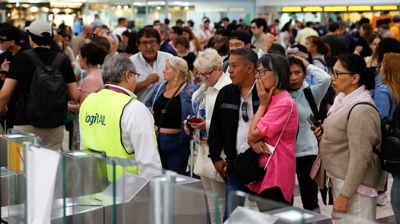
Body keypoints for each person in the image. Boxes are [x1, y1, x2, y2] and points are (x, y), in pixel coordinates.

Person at [313, 53, 381, 223]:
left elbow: (361, 158)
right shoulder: (342, 99)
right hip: (343, 181)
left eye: (337, 73)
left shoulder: (361, 110)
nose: (332, 77)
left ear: (355, 78)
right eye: (332, 71)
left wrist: (345, 196)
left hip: (355, 189)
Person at [80, 53, 161, 181]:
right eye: (136, 75)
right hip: (127, 189)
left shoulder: (88, 101)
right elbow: (148, 161)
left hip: (93, 184)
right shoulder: (133, 108)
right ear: (128, 75)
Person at [0, 19, 78, 148]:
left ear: (30, 38)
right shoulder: (62, 60)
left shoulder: (20, 59)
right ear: (51, 38)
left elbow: (4, 94)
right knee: (50, 166)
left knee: (23, 166)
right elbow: (74, 95)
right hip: (54, 124)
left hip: (25, 122)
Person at [208, 48, 259, 221]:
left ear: (250, 67)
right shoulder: (226, 93)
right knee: (231, 217)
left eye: (234, 65)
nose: (229, 70)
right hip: (234, 166)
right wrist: (215, 157)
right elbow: (215, 128)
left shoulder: (266, 93)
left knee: (265, 216)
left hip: (263, 166)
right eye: (229, 65)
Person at [184, 48, 231, 224]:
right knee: (210, 196)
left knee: (220, 197)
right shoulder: (205, 87)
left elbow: (229, 121)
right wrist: (190, 123)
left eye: (207, 74)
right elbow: (198, 109)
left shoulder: (226, 87)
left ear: (219, 68)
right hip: (202, 147)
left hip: (220, 150)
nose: (203, 78)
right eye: (200, 74)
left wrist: (206, 124)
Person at [246, 53, 298, 205]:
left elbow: (253, 133)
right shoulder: (269, 98)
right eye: (257, 71)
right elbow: (252, 135)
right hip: (265, 168)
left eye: (262, 72)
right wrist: (253, 140)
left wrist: (262, 105)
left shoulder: (283, 102)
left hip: (276, 171)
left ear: (277, 73)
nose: (257, 77)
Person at [287, 55, 331, 212]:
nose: (293, 78)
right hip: (286, 154)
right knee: (285, 201)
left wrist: (307, 64)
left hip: (308, 153)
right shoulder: (279, 95)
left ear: (305, 74)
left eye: (297, 72)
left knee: (310, 202)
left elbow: (326, 79)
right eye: (289, 73)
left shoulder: (312, 93)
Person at [145, 57, 197, 175]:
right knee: (158, 178)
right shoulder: (160, 88)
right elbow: (148, 103)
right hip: (156, 140)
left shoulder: (191, 91)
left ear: (177, 72)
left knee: (175, 180)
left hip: (178, 142)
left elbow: (196, 114)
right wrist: (149, 110)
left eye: (166, 68)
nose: (163, 71)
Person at [380, 53, 400, 221]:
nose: (379, 69)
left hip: (395, 152)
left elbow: (380, 120)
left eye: (381, 65)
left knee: (397, 198)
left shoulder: (383, 90)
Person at [130, 27, 174, 103]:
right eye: (144, 43)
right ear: (138, 45)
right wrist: (145, 82)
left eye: (152, 42)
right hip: (140, 110)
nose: (149, 47)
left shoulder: (169, 59)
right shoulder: (130, 63)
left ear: (159, 44)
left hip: (166, 109)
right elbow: (125, 92)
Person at [0, 25, 29, 130]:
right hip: (9, 105)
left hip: (25, 105)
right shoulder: (4, 57)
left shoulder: (28, 56)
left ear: (12, 42)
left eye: (2, 40)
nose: (0, 42)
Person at [67, 42, 107, 114]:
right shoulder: (99, 73)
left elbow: (82, 108)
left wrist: (65, 106)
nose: (79, 60)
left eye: (80, 57)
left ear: (85, 59)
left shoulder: (90, 79)